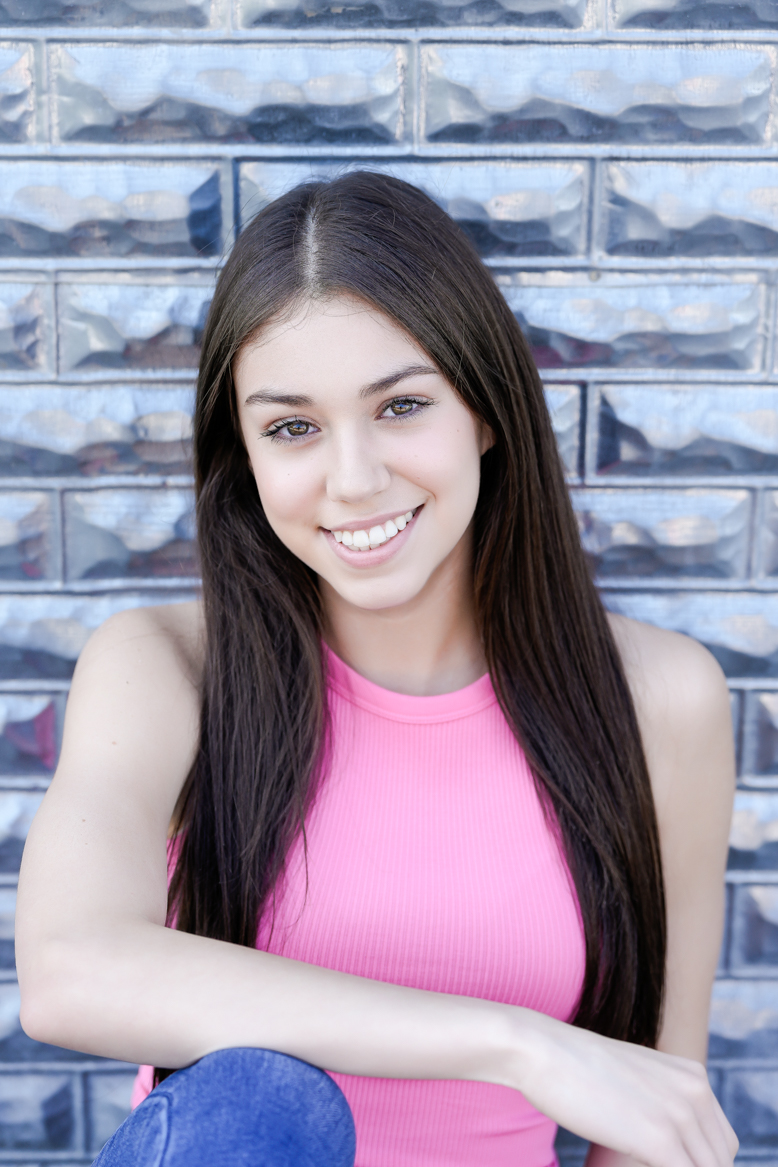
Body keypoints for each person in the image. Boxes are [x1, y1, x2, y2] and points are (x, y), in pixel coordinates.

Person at [15, 172, 738, 1167]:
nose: (354, 479)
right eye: (293, 428)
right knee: (253, 1104)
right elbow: (69, 969)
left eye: (401, 406)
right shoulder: (166, 669)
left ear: (485, 410)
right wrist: (516, 1043)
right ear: (246, 455)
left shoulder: (659, 700)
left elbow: (660, 1109)